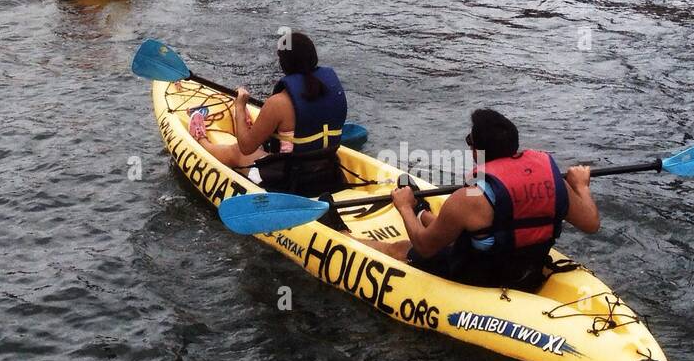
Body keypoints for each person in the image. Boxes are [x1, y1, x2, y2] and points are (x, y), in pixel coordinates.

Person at [363, 107, 599, 292]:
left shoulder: (468, 198)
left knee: (401, 247)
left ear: (478, 151)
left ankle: (345, 236)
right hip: (529, 268)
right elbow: (591, 223)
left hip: (481, 276)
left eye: (470, 141)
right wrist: (580, 186)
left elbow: (424, 247)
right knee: (473, 228)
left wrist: (403, 206)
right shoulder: (552, 181)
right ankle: (422, 213)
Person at [189, 33, 350, 224]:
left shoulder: (278, 103)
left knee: (236, 152)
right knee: (272, 145)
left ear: (284, 65)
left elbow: (245, 146)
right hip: (329, 172)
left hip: (291, 183)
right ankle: (250, 129)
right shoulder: (332, 88)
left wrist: (240, 106)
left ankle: (200, 139)